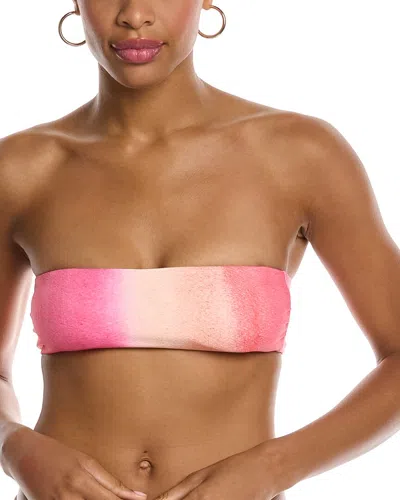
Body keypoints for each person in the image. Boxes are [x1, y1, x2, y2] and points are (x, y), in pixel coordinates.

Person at [1, 1, 400, 499]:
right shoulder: (21, 169)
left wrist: (276, 467)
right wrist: (14, 446)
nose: (134, 14)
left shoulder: (299, 154)